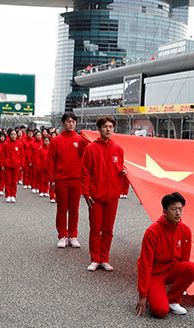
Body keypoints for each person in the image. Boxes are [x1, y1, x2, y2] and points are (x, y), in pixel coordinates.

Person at [136, 192, 194, 318]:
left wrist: (177, 286)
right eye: (174, 209)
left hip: (172, 270)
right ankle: (157, 295)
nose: (178, 213)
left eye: (180, 209)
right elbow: (145, 265)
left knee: (191, 268)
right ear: (164, 211)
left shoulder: (185, 230)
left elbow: (184, 260)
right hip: (156, 273)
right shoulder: (152, 232)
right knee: (160, 311)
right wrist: (143, 294)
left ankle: (173, 300)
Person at [80, 116, 127, 272]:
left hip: (112, 196)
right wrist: (86, 193)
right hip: (96, 197)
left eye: (111, 127)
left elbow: (120, 169)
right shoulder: (91, 149)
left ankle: (104, 259)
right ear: (98, 129)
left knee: (108, 230)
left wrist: (122, 178)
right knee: (95, 229)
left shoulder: (118, 149)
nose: (108, 129)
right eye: (105, 127)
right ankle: (95, 259)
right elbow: (85, 172)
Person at [48, 112, 87, 248]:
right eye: (69, 121)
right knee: (62, 209)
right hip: (61, 179)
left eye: (73, 122)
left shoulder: (81, 140)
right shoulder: (56, 140)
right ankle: (62, 235)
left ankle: (73, 235)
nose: (71, 124)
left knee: (74, 209)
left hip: (76, 179)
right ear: (63, 123)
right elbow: (51, 161)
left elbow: (85, 155)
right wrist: (52, 180)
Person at [2, 129, 22, 203]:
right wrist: (3, 164)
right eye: (12, 134)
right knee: (8, 181)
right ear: (9, 135)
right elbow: (3, 155)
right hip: (8, 165)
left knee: (14, 181)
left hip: (16, 165)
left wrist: (21, 164)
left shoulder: (19, 144)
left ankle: (13, 195)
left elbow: (22, 155)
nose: (13, 136)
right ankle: (8, 195)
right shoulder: (6, 144)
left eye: (14, 134)